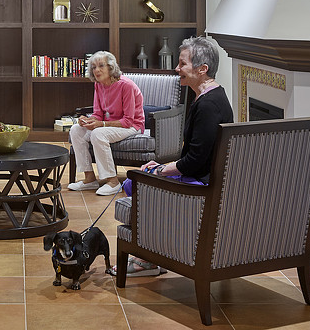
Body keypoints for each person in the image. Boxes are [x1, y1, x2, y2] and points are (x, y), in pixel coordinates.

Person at [118, 35, 234, 277]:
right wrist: (163, 165)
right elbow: (195, 153)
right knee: (141, 177)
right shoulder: (212, 96)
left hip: (201, 186)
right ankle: (152, 252)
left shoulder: (207, 106)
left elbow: (194, 162)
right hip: (204, 177)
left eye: (182, 64)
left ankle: (148, 259)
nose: (176, 68)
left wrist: (159, 171)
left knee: (133, 182)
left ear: (202, 69)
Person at [67, 51, 145, 196]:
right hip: (110, 124)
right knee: (76, 130)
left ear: (111, 67)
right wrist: (88, 120)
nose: (97, 70)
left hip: (132, 126)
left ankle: (113, 182)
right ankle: (89, 178)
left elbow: (128, 120)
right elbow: (98, 114)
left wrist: (101, 125)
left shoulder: (126, 85)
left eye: (101, 66)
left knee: (97, 134)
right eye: (94, 67)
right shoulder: (98, 85)